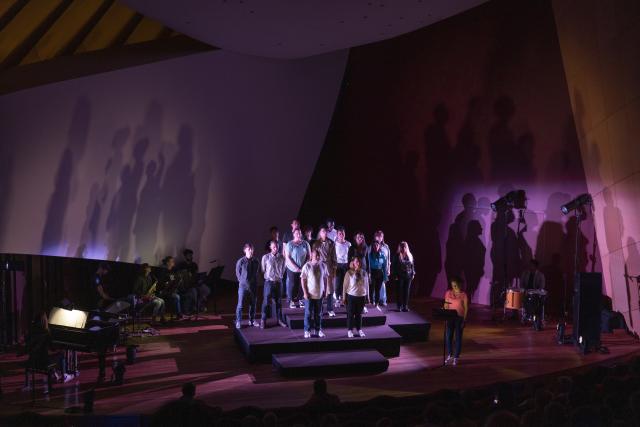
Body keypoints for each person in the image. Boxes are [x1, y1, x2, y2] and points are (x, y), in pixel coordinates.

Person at [300, 248, 329, 338]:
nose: (316, 256)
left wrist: (326, 290)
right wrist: (305, 292)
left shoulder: (323, 265)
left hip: (319, 294)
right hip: (309, 294)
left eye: (318, 255)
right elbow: (303, 279)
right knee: (308, 313)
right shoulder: (307, 266)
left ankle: (318, 330)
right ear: (311, 256)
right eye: (315, 255)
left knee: (318, 314)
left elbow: (325, 278)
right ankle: (307, 330)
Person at [260, 241, 287, 328]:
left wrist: (279, 276)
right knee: (266, 301)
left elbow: (283, 268)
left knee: (278, 301)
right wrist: (267, 277)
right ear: (270, 247)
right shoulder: (266, 257)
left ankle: (279, 320)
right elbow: (263, 270)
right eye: (274, 246)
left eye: (277, 246)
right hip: (269, 282)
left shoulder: (282, 257)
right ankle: (263, 320)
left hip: (278, 282)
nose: (276, 248)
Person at [444, 276, 468, 366]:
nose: (454, 287)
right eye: (452, 285)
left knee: (458, 338)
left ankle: (456, 357)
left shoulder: (463, 295)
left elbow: (466, 308)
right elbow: (446, 304)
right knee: (448, 336)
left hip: (459, 318)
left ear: (460, 285)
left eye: (456, 285)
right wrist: (445, 315)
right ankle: (449, 354)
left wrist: (464, 320)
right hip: (450, 317)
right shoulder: (448, 293)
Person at [313, 226, 337, 316]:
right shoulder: (316, 244)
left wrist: (334, 268)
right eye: (323, 231)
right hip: (319, 267)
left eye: (326, 231)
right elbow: (314, 256)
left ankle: (330, 309)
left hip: (329, 267)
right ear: (320, 233)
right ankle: (319, 309)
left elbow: (334, 257)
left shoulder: (331, 243)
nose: (325, 233)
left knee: (330, 289)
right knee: (320, 288)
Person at [284, 228, 311, 308]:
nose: (298, 235)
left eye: (299, 233)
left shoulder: (305, 243)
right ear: (293, 234)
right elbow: (288, 257)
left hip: (303, 268)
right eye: (296, 233)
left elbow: (309, 256)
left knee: (301, 284)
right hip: (292, 268)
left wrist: (304, 266)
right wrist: (296, 267)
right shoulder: (290, 244)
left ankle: (300, 300)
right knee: (293, 284)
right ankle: (292, 300)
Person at [235, 244, 260, 329]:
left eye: (252, 249)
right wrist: (242, 282)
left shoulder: (256, 261)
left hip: (253, 286)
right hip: (243, 286)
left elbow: (257, 273)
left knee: (253, 304)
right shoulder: (241, 261)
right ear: (245, 250)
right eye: (249, 249)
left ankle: (252, 320)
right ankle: (238, 321)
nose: (251, 251)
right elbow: (238, 273)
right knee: (240, 304)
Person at [343, 257, 369, 337]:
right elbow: (345, 286)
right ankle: (350, 330)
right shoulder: (349, 273)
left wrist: (368, 296)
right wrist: (344, 297)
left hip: (361, 296)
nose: (358, 263)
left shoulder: (364, 273)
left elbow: (367, 285)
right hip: (351, 296)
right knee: (350, 314)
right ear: (353, 263)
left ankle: (359, 329)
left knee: (359, 314)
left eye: (359, 261)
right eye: (356, 261)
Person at [349, 231, 369, 313]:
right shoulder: (352, 247)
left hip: (363, 270)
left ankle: (363, 306)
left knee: (363, 289)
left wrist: (369, 271)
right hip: (354, 270)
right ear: (355, 238)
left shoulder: (365, 247)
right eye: (358, 237)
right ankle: (353, 306)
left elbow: (367, 259)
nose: (360, 239)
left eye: (361, 237)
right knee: (354, 288)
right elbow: (349, 259)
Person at [393, 241, 415, 312]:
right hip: (400, 276)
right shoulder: (397, 255)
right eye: (402, 247)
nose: (403, 248)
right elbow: (394, 266)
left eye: (405, 246)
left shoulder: (410, 255)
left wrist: (413, 273)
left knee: (407, 291)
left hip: (408, 276)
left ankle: (405, 306)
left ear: (406, 247)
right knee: (399, 291)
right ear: (400, 247)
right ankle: (399, 306)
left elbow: (412, 265)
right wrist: (395, 275)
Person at [334, 227, 351, 308]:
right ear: (337, 235)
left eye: (343, 233)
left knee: (346, 283)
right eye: (340, 234)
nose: (341, 235)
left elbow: (350, 256)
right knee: (338, 284)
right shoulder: (334, 244)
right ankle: (337, 299)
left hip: (346, 265)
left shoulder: (348, 244)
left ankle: (344, 299)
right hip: (338, 265)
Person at [373, 230, 391, 307]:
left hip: (384, 268)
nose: (379, 237)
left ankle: (383, 300)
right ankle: (374, 299)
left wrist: (388, 268)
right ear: (375, 237)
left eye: (381, 236)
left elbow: (388, 259)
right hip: (375, 268)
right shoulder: (372, 245)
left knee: (383, 284)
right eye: (378, 236)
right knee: (375, 285)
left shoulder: (386, 246)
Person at [368, 241, 388, 311]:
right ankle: (371, 302)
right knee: (372, 288)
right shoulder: (370, 255)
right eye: (374, 245)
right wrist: (369, 274)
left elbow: (384, 266)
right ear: (373, 246)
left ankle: (376, 303)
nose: (376, 246)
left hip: (380, 273)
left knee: (378, 290)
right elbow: (369, 266)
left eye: (377, 245)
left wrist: (385, 277)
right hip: (372, 272)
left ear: (379, 246)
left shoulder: (382, 255)